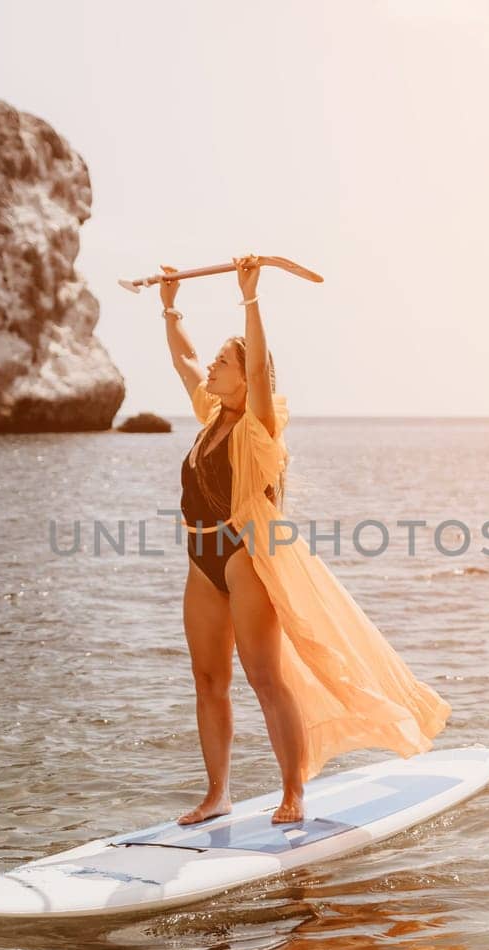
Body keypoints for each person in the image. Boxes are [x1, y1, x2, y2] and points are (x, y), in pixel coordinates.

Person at [162, 254, 451, 827]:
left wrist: (250, 298)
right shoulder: (211, 413)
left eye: (226, 363)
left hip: (244, 558)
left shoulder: (258, 425)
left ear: (249, 378)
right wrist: (170, 307)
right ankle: (216, 793)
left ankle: (292, 791)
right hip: (201, 561)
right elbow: (186, 360)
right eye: (218, 361)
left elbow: (257, 366)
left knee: (265, 678)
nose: (214, 369)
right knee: (208, 679)